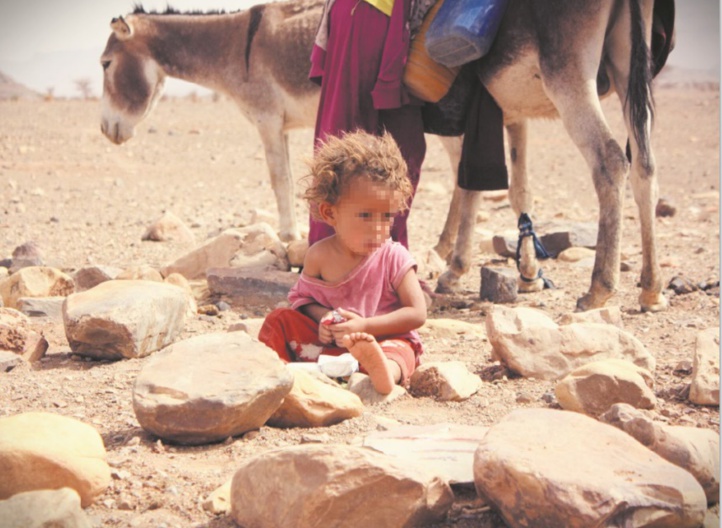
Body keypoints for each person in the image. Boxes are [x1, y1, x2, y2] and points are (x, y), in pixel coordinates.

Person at [258, 131, 427, 395]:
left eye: (387, 216)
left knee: (401, 350)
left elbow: (417, 313)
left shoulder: (394, 257)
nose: (379, 228)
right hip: (332, 347)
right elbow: (302, 301)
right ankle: (275, 369)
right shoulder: (319, 256)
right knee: (280, 319)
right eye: (366, 216)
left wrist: (366, 327)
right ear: (330, 213)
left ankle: (381, 374)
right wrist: (324, 318)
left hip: (382, 341)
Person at [308, 0, 428, 249]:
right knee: (347, 144)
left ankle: (389, 260)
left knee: (406, 150)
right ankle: (332, 261)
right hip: (365, 16)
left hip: (402, 21)